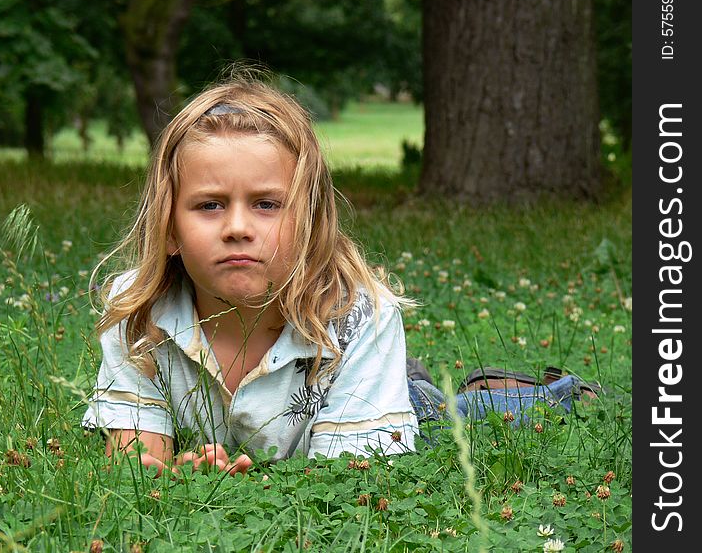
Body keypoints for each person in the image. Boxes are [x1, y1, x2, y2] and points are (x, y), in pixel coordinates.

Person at [82, 76, 598, 476]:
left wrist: (244, 486)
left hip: (368, 394)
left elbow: (353, 480)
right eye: (209, 205)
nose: (237, 228)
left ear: (308, 222)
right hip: (328, 406)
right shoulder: (136, 316)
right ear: (169, 228)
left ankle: (550, 391)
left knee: (457, 419)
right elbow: (134, 465)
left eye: (266, 205)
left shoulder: (359, 318)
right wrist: (182, 476)